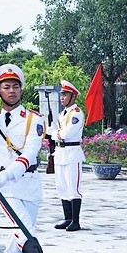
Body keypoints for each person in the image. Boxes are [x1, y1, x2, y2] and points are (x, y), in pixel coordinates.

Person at [0, 64, 67, 253]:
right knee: (23, 231)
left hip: (28, 183)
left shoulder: (34, 119)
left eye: (15, 86)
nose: (12, 91)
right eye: (6, 87)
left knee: (18, 239)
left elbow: (31, 153)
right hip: (3, 187)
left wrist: (10, 172)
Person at [49, 80, 85, 231]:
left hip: (72, 153)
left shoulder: (76, 114)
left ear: (73, 96)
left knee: (73, 188)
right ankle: (67, 218)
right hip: (60, 153)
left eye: (65, 94)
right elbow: (56, 133)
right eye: (61, 94)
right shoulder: (62, 114)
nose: (62, 97)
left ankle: (75, 221)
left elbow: (65, 134)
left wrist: (54, 134)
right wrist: (55, 134)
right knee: (62, 187)